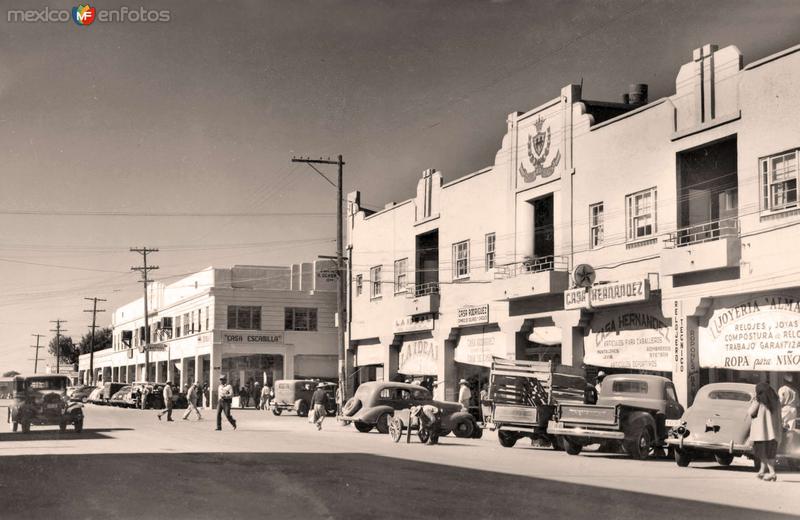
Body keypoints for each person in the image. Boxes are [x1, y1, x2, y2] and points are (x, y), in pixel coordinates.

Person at [749, 381, 782, 481]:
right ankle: (762, 471)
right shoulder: (776, 400)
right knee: (770, 453)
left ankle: (772, 473)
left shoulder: (759, 400)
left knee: (763, 454)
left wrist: (753, 400)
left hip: (761, 433)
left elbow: (750, 412)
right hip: (774, 433)